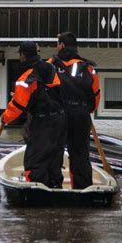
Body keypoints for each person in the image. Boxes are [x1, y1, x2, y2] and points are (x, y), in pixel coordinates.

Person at [2, 41, 67, 188]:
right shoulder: (50, 69)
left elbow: (18, 105)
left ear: (23, 55)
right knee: (54, 157)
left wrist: (5, 118)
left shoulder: (26, 78)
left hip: (43, 122)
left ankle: (36, 189)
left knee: (35, 159)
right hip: (60, 120)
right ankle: (55, 186)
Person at [47, 32, 100, 189]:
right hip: (80, 114)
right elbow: (95, 94)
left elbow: (43, 91)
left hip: (58, 114)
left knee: (54, 151)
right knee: (80, 154)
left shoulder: (50, 65)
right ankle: (83, 188)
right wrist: (86, 110)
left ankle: (53, 186)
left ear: (62, 45)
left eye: (57, 44)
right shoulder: (88, 68)